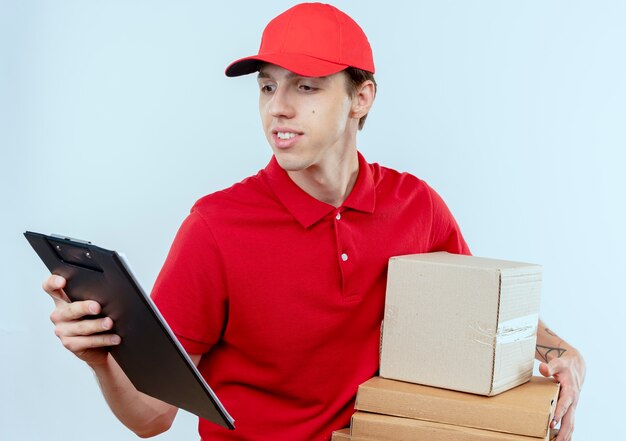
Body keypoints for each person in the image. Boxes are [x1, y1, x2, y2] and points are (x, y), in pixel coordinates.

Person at [42, 3, 585, 441]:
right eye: (267, 86)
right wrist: (100, 361)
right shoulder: (216, 227)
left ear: (361, 97)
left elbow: (481, 318)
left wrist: (563, 355)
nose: (277, 107)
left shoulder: (416, 206)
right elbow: (151, 418)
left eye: (305, 86)